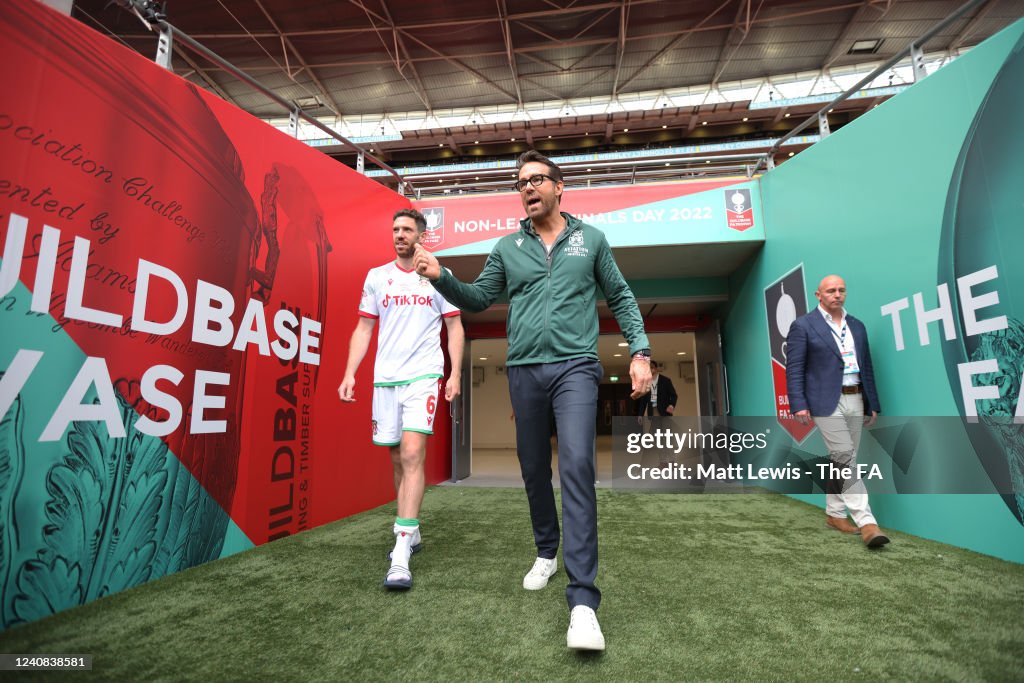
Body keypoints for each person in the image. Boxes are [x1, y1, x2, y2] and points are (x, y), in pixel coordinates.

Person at [413, 150, 652, 651]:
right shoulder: (507, 247)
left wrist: (640, 352)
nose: (528, 187)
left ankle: (583, 601)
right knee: (531, 467)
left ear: (560, 187)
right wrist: (442, 277)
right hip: (524, 369)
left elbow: (623, 297)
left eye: (538, 179)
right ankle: (547, 548)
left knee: (578, 466)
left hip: (576, 367)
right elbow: (479, 297)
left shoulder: (591, 241)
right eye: (521, 182)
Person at [338, 208, 465, 589]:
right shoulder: (377, 277)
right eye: (395, 229)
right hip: (385, 381)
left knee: (412, 454)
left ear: (421, 236)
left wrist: (455, 372)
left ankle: (400, 551)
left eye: (407, 229)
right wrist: (349, 372)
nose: (399, 235)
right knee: (396, 456)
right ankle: (412, 528)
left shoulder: (439, 277)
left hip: (423, 376)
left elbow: (455, 325)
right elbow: (363, 328)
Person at [785, 274, 889, 548]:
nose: (837, 294)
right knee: (845, 456)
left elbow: (867, 366)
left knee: (843, 459)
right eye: (831, 290)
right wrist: (799, 404)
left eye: (841, 290)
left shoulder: (858, 325)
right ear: (818, 295)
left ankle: (834, 514)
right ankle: (867, 522)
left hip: (856, 398)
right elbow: (794, 368)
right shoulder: (803, 325)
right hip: (823, 402)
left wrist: (872, 403)